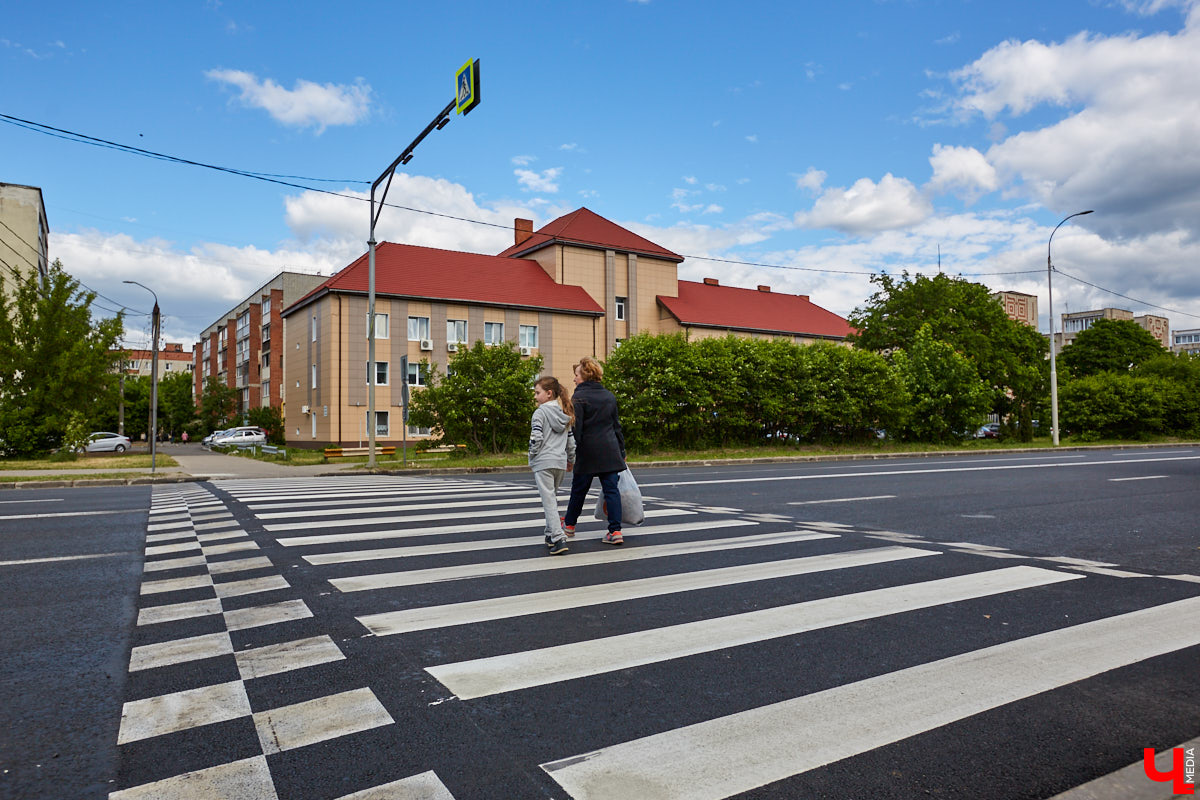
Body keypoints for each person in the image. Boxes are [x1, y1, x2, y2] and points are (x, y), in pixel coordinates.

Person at [562, 356, 626, 545]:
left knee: (579, 490)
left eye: (576, 375)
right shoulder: (609, 396)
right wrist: (621, 450)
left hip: (587, 452)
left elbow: (576, 429)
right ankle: (615, 531)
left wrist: (571, 455)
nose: (574, 379)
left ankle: (570, 526)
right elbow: (616, 426)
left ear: (585, 376)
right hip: (610, 450)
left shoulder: (578, 398)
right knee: (611, 491)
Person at [529, 377, 576, 556]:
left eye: (537, 392)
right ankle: (550, 535)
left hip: (544, 462)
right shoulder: (564, 415)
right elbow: (571, 442)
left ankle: (558, 538)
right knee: (551, 498)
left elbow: (536, 438)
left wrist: (533, 455)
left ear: (548, 394)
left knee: (549, 502)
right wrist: (571, 459)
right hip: (560, 463)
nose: (535, 396)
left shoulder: (539, 413)